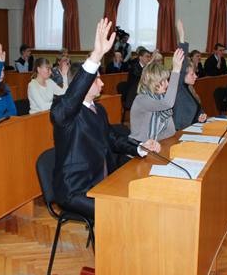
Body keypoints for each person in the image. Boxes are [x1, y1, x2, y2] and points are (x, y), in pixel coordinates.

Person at [51, 18, 160, 220]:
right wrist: (96, 55)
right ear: (81, 85)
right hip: (75, 188)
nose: (102, 84)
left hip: (102, 180)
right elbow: (70, 99)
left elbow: (112, 138)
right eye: (97, 79)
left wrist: (139, 147)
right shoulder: (62, 111)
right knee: (117, 214)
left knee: (137, 199)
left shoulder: (98, 110)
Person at [130, 48, 184, 142]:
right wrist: (175, 71)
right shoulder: (142, 100)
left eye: (167, 80)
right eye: (163, 81)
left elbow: (171, 131)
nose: (167, 84)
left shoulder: (160, 97)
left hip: (156, 144)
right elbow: (168, 104)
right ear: (152, 82)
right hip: (140, 148)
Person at [174, 20, 207, 130]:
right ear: (182, 75)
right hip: (181, 132)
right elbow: (182, 65)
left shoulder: (187, 88)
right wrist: (182, 36)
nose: (196, 76)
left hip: (193, 128)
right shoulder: (178, 88)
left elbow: (196, 108)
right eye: (192, 74)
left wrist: (201, 115)